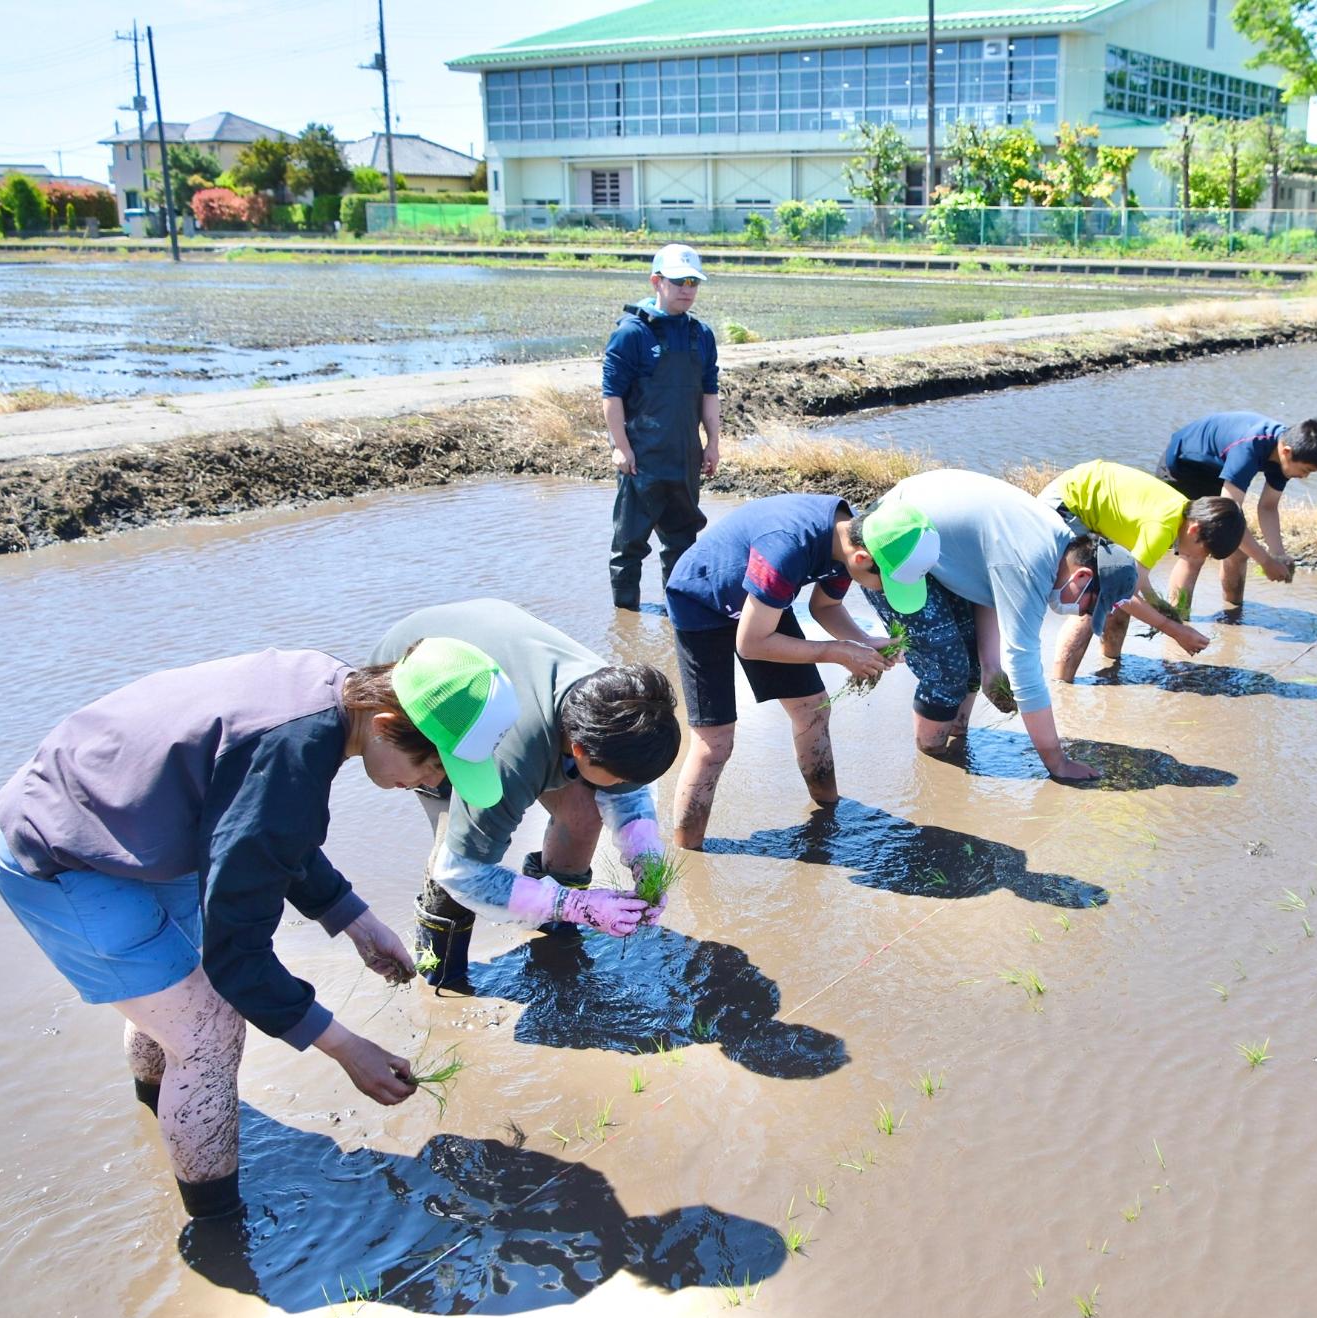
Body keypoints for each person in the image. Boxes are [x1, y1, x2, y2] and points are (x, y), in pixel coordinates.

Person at [0, 638, 521, 1220]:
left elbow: (263, 828)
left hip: (124, 817)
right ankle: (217, 1231)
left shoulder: (329, 689)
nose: (433, 784)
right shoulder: (290, 751)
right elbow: (237, 952)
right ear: (387, 722)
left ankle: (160, 1110)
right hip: (64, 850)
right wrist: (347, 1049)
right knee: (211, 1029)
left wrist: (352, 919)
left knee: (179, 1004)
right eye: (434, 765)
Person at [377, 600, 684, 996]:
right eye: (617, 780)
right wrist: (576, 904)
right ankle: (439, 976)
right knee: (457, 848)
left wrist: (645, 857)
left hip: (500, 653)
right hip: (428, 694)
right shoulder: (513, 754)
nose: (623, 789)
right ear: (578, 750)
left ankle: (554, 931)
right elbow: (463, 871)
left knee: (584, 811)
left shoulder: (626, 706)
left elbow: (629, 787)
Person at [663, 492, 928, 847]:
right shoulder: (787, 549)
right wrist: (837, 651)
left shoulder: (849, 538)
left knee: (812, 709)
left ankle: (829, 811)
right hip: (701, 601)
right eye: (887, 583)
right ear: (863, 559)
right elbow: (752, 643)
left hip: (763, 601)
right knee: (715, 743)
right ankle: (687, 850)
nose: (885, 591)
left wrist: (863, 640)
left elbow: (826, 607)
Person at [862, 468, 1137, 783]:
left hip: (927, 539)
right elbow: (1025, 670)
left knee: (971, 661)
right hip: (889, 540)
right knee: (947, 666)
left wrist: (990, 666)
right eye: (1089, 606)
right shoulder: (1032, 562)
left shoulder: (1053, 543)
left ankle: (955, 738)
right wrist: (1057, 763)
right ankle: (933, 762)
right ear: (1083, 577)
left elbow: (987, 587)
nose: (1080, 613)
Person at [1035, 459, 1247, 680]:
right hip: (1067, 504)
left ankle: (1109, 668)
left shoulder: (1181, 514)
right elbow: (1124, 596)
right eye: (1205, 551)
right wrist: (1173, 629)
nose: (1200, 558)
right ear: (1195, 529)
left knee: (1119, 584)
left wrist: (1158, 604)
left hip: (1088, 503)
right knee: (1094, 600)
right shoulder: (1163, 528)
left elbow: (1135, 583)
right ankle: (1062, 685)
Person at [602, 242, 722, 610]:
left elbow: (709, 392)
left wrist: (712, 442)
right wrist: (620, 446)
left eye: (693, 282)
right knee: (628, 546)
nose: (687, 289)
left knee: (683, 543)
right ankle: (626, 618)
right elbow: (612, 395)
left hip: (684, 457)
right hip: (642, 460)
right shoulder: (631, 334)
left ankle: (680, 617)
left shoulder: (700, 334)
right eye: (678, 281)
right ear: (657, 281)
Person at [1156, 412, 1317, 607]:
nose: (1305, 477)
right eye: (1306, 470)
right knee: (1195, 552)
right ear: (1286, 451)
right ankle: (1177, 622)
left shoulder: (1286, 457)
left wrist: (1278, 554)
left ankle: (1232, 613)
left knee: (1238, 551)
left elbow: (1268, 507)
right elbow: (1227, 520)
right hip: (1183, 468)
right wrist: (1265, 562)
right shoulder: (1249, 448)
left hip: (1216, 472)